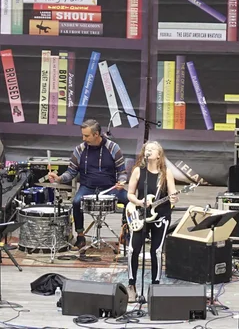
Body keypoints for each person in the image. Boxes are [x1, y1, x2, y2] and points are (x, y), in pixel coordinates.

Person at [48, 119, 128, 250]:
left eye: (86, 136)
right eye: (83, 135)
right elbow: (71, 172)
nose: (83, 138)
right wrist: (59, 178)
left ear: (96, 134)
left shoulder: (113, 148)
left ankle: (125, 234)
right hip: (87, 187)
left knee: (129, 201)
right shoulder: (79, 150)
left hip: (110, 187)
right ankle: (80, 236)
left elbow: (122, 171)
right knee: (76, 202)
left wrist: (122, 181)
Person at [125, 141, 178, 301]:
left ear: (159, 155)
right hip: (140, 215)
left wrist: (174, 197)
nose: (149, 151)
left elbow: (172, 194)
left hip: (160, 216)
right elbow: (130, 194)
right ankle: (131, 285)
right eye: (147, 149)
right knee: (133, 250)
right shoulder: (138, 171)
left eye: (152, 149)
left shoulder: (166, 173)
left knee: (156, 251)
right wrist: (140, 203)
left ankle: (155, 285)